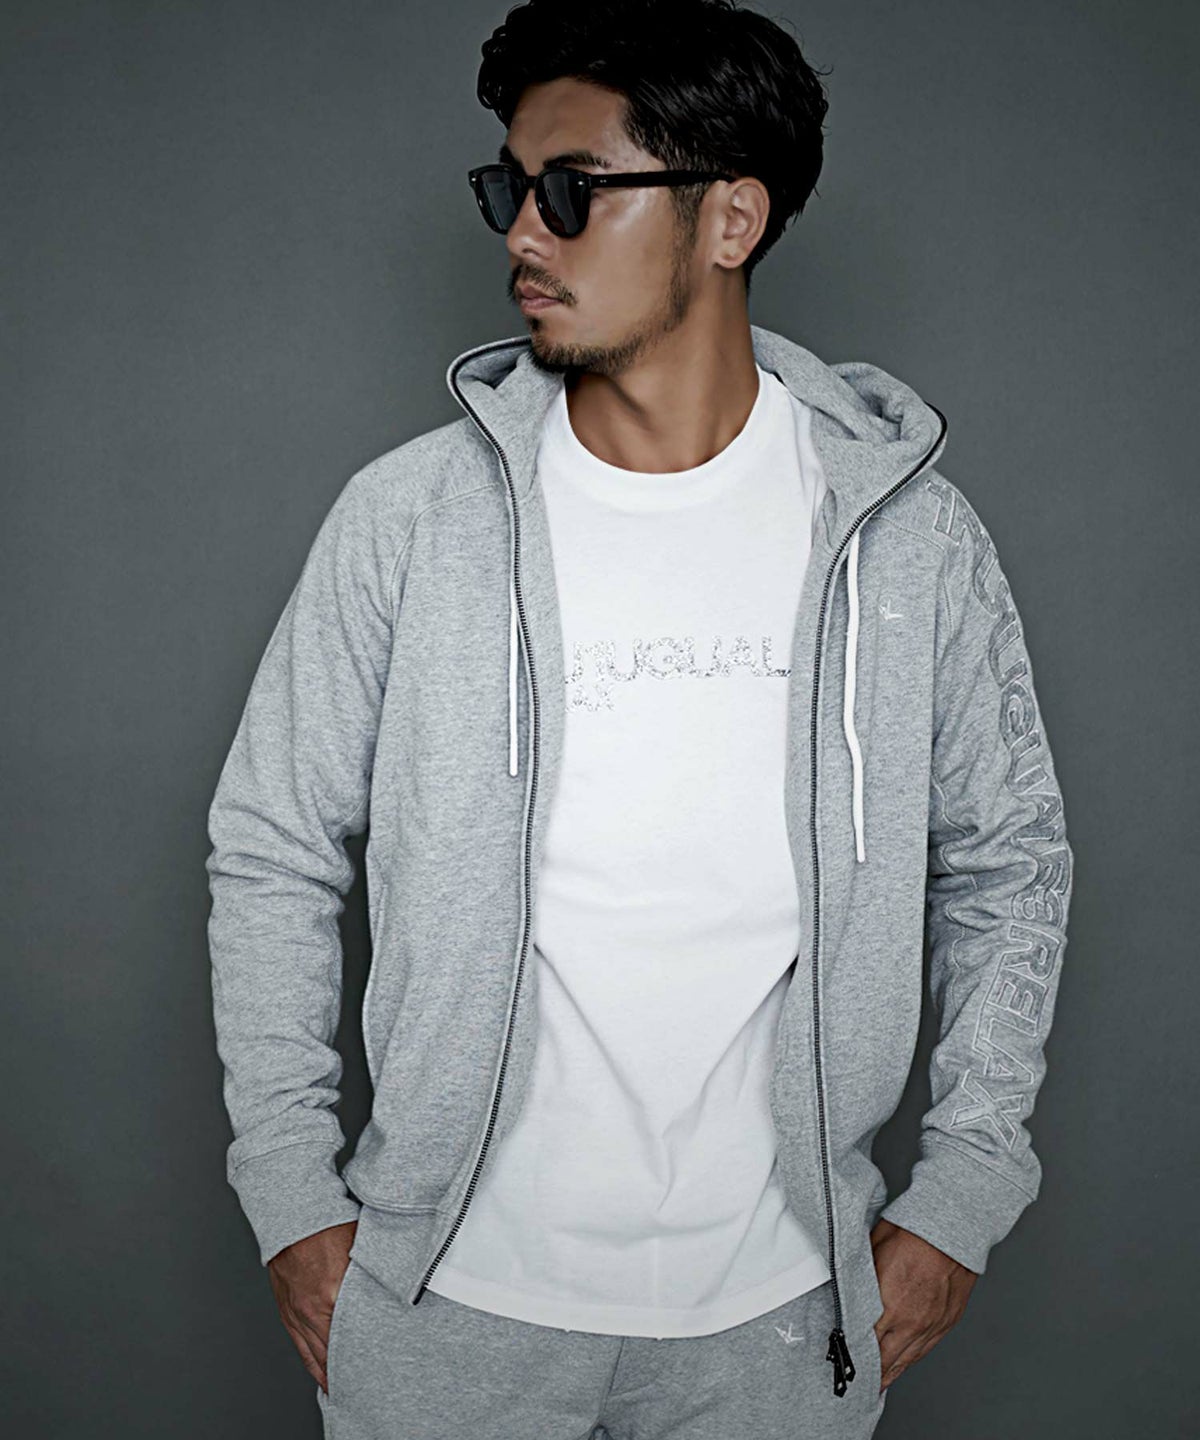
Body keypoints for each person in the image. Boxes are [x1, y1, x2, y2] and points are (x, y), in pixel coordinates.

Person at [205, 2, 1074, 1436]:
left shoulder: (908, 542)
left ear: (731, 218)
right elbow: (271, 848)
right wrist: (294, 1198)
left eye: (573, 190)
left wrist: (963, 1194)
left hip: (783, 1317)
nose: (522, 234)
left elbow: (1009, 862)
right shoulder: (411, 520)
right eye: (508, 188)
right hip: (442, 1303)